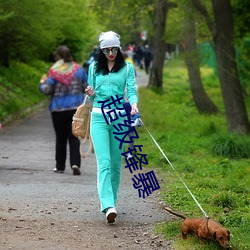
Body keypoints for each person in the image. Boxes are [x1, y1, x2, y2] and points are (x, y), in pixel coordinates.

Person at [85, 31, 138, 223]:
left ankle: (112, 201)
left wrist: (133, 104)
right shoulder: (93, 68)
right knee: (104, 162)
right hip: (98, 118)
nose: (110, 53)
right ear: (101, 50)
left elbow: (131, 90)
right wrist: (90, 92)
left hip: (119, 119)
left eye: (114, 49)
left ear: (119, 48)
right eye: (106, 50)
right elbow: (91, 96)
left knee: (116, 164)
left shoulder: (127, 68)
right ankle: (107, 205)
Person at [39, 45, 88, 175]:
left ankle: (60, 166)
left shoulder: (54, 71)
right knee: (74, 137)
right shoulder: (79, 70)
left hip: (58, 109)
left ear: (58, 57)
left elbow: (47, 90)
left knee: (60, 138)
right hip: (75, 109)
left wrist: (42, 83)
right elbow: (86, 87)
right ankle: (75, 163)